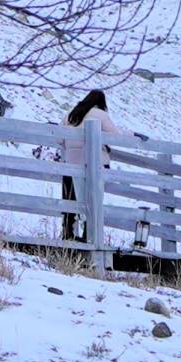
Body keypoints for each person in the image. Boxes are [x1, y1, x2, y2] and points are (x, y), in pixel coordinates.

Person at [61, 86, 112, 247]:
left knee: (70, 199)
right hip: (95, 165)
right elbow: (115, 136)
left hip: (70, 163)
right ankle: (88, 236)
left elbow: (59, 138)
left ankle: (68, 234)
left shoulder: (71, 114)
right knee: (92, 200)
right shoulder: (101, 115)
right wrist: (133, 135)